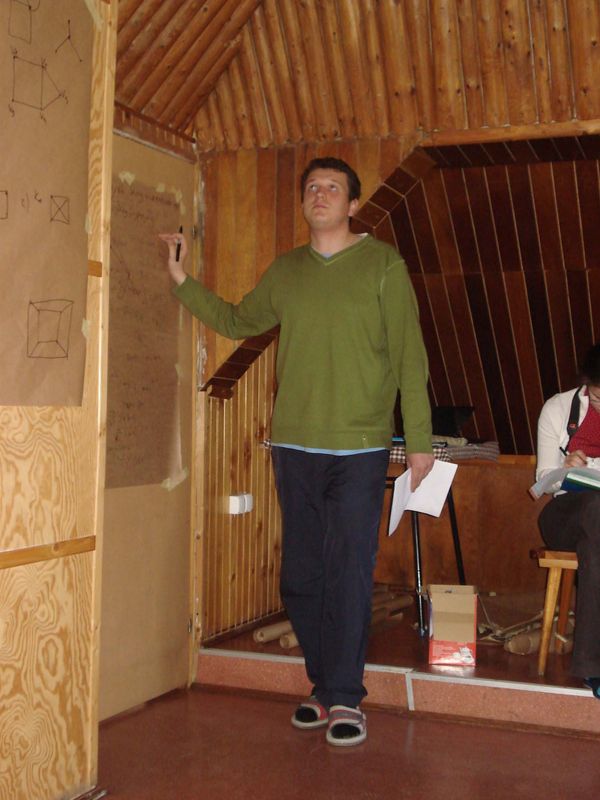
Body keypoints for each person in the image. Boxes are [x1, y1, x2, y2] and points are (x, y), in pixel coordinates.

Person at [160, 157, 434, 745]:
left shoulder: (383, 265)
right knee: (301, 577)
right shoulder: (286, 271)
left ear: (353, 204)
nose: (320, 194)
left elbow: (410, 357)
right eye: (312, 187)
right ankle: (324, 684)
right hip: (293, 447)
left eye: (333, 187)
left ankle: (345, 697)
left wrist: (418, 442)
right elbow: (237, 320)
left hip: (359, 449)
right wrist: (180, 279)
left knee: (348, 572)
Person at [535, 342, 600, 698]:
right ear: (586, 384)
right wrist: (564, 469)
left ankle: (592, 666)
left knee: (596, 542)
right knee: (595, 509)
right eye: (598, 397)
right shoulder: (558, 408)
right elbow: (542, 482)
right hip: (563, 514)